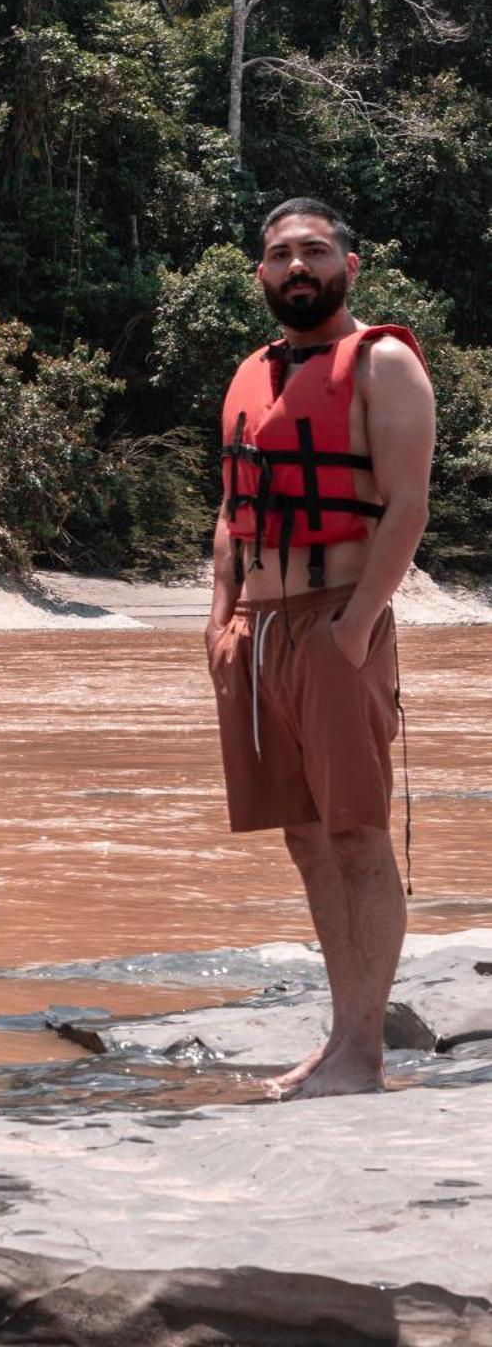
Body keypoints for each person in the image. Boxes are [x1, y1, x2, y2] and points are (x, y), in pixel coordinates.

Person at [207, 199, 435, 1100]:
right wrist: (219, 623)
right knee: (304, 838)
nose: (295, 266)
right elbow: (232, 511)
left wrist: (353, 627)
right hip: (255, 636)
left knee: (355, 835)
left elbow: (407, 507)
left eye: (312, 251)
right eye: (277, 255)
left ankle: (360, 1054)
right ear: (260, 275)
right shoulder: (250, 373)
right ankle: (340, 1040)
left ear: (348, 261)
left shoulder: (381, 362)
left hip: (338, 621)